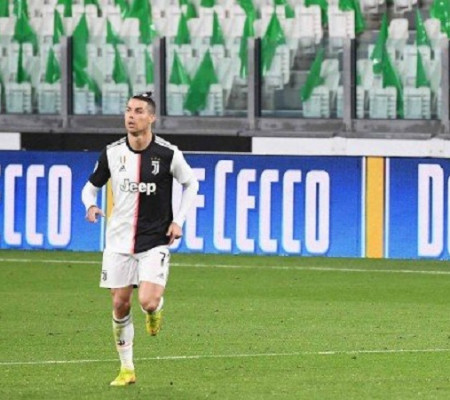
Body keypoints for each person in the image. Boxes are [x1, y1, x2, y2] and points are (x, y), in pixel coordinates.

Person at [81, 92, 199, 386]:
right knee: (120, 305)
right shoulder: (112, 153)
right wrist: (90, 205)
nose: (131, 116)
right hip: (118, 242)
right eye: (128, 110)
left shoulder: (168, 154)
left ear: (151, 117)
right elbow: (90, 187)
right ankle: (127, 369)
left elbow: (191, 183)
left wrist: (178, 220)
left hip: (154, 240)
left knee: (147, 300)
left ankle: (154, 310)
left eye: (138, 111)